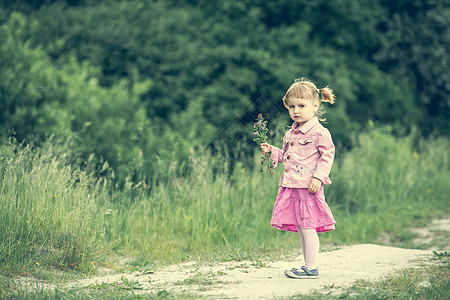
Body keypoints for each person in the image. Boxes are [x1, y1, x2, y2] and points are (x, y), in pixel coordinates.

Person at [261, 78, 336, 279]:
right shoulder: (290, 133)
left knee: (308, 226)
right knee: (303, 227)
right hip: (293, 186)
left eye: (301, 106)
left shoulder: (319, 132)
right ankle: (307, 266)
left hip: (308, 186)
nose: (296, 110)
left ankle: (311, 268)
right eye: (292, 106)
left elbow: (327, 155)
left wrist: (319, 178)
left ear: (315, 105)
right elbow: (287, 158)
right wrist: (272, 152)